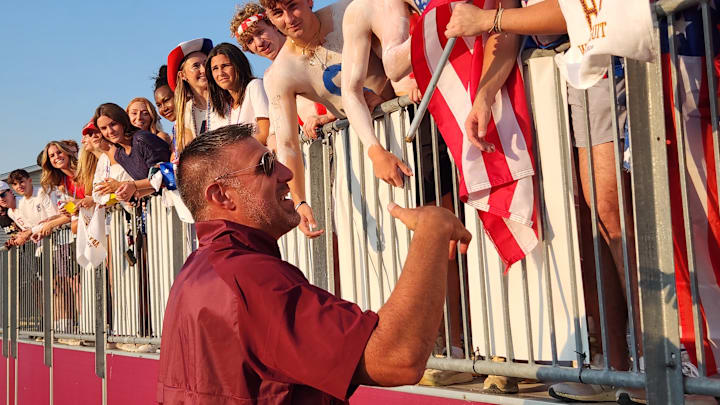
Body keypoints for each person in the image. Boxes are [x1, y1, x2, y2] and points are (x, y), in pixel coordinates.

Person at [157, 124, 472, 403]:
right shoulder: (248, 276)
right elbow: (396, 357)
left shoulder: (196, 271)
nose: (286, 173)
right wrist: (432, 229)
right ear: (222, 196)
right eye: (266, 165)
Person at [261, 0, 413, 238]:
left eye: (293, 6)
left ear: (309, 1)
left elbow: (398, 56)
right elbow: (288, 144)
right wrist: (300, 201)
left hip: (408, 127)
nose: (289, 19)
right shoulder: (280, 74)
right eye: (278, 13)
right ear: (269, 18)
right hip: (362, 153)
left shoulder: (348, 13)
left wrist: (386, 96)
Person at [230, 2, 337, 138]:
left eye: (260, 32)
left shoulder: (309, 48)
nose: (258, 43)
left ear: (273, 24)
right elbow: (275, 134)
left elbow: (350, 91)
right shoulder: (272, 78)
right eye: (250, 41)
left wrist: (327, 117)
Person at [93, 103, 170, 201]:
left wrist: (129, 185)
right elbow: (154, 184)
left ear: (123, 122)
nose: (110, 131)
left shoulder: (142, 139)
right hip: (166, 202)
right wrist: (134, 195)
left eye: (113, 124)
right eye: (104, 128)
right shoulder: (119, 155)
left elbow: (165, 174)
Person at [205, 43, 270, 145]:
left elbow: (265, 134)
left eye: (225, 66)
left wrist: (235, 153)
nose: (220, 73)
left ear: (238, 65)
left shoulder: (254, 86)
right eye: (215, 68)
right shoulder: (223, 105)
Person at [167, 38, 214, 158]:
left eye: (206, 63)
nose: (203, 70)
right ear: (182, 75)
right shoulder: (184, 116)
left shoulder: (227, 99)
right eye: (196, 66)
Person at [5, 169, 64, 244]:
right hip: (42, 245)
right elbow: (29, 229)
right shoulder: (21, 203)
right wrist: (20, 235)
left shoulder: (43, 193)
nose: (19, 186)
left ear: (30, 180)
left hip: (61, 240)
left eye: (21, 182)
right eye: (15, 184)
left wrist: (31, 231)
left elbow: (55, 218)